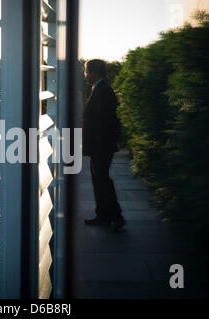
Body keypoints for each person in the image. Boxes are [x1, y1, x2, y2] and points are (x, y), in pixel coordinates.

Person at [82, 59, 126, 231]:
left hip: (101, 146)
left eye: (86, 71)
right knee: (100, 180)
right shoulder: (100, 89)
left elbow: (103, 122)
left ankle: (115, 216)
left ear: (93, 72)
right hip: (100, 146)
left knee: (102, 181)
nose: (85, 75)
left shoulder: (102, 91)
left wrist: (96, 146)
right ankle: (104, 216)